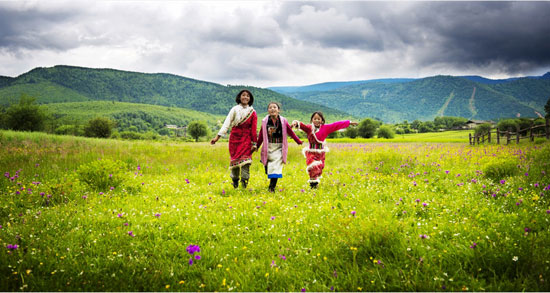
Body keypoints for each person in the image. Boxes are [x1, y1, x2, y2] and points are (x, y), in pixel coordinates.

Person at [292, 112, 358, 188]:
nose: (316, 120)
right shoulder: (309, 128)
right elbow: (302, 126)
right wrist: (296, 123)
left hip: (320, 153)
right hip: (311, 152)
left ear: (322, 120)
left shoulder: (326, 128)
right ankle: (313, 185)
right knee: (313, 166)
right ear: (312, 120)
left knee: (319, 168)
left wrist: (349, 123)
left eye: (318, 119)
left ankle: (315, 183)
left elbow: (336, 125)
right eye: (315, 119)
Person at [211, 89, 257, 189]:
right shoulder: (234, 109)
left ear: (250, 99)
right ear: (239, 97)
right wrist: (217, 138)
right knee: (235, 162)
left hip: (246, 139)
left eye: (248, 96)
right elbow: (226, 124)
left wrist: (254, 144)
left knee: (246, 162)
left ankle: (244, 185)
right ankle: (235, 184)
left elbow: (253, 129)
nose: (245, 97)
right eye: (243, 95)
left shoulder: (252, 112)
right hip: (235, 139)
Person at [257, 102, 303, 192]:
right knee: (268, 166)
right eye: (270, 107)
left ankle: (272, 187)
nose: (272, 109)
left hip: (279, 148)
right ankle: (267, 168)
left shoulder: (283, 121)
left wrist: (298, 141)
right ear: (268, 110)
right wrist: (257, 146)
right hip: (268, 146)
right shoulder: (264, 121)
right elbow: (261, 135)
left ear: (278, 110)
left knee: (276, 167)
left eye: (275, 107)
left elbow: (290, 132)